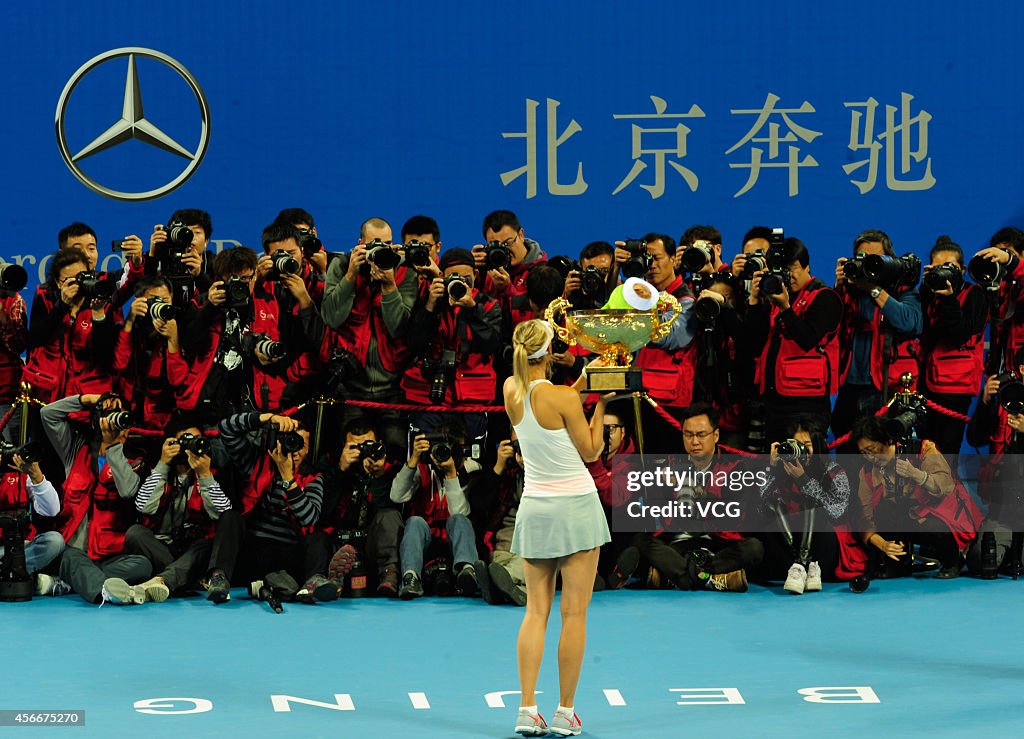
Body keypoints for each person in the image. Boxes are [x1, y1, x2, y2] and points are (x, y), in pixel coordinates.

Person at [504, 319, 610, 738]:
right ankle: (566, 711)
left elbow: (549, 403)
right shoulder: (564, 398)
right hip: (577, 508)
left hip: (536, 508)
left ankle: (527, 709)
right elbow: (591, 449)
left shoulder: (511, 391)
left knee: (536, 611)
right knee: (574, 613)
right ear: (549, 354)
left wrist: (583, 382)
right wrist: (602, 404)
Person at [756, 419, 852, 594]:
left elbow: (837, 512)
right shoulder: (782, 468)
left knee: (814, 506)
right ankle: (799, 564)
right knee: (771, 509)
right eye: (797, 445)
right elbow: (761, 506)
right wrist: (771, 467)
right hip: (789, 542)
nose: (802, 450)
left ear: (817, 444)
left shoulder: (833, 470)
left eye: (807, 445)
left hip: (822, 545)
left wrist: (804, 480)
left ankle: (801, 564)